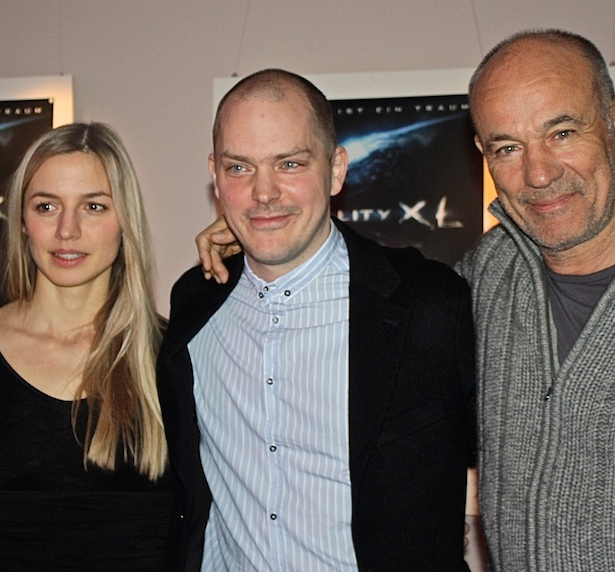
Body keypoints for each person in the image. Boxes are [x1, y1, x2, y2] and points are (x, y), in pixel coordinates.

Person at [199, 30, 615, 571]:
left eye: (563, 132)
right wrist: (257, 229)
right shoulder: (477, 285)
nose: (539, 173)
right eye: (507, 147)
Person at [159, 68, 476, 570]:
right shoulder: (196, 301)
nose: (263, 192)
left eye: (289, 163)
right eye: (240, 168)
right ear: (215, 176)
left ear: (335, 170)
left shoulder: (430, 304)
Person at [0, 122, 174, 571]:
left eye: (94, 207)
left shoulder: (174, 358)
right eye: (47, 206)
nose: (68, 230)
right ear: (22, 221)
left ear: (125, 220)